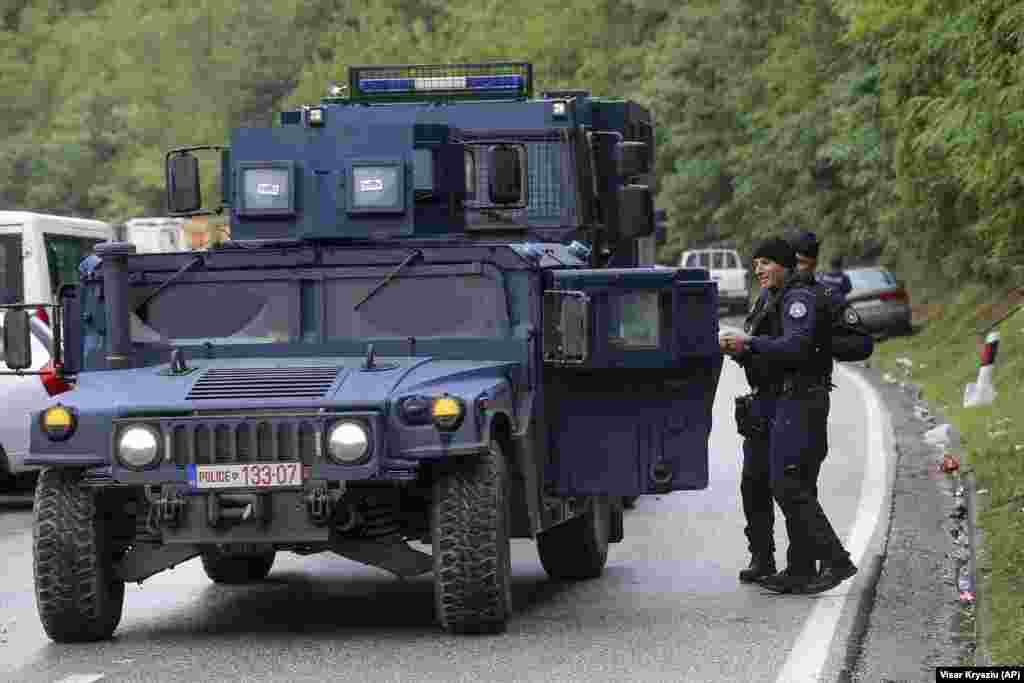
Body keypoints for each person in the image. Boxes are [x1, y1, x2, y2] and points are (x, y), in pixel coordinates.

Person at [719, 236, 858, 594]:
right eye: (755, 264)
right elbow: (772, 348)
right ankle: (793, 568)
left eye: (765, 263)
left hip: (800, 399)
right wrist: (741, 350)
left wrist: (750, 344)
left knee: (790, 484)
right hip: (776, 400)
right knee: (765, 481)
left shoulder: (799, 298)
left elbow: (796, 348)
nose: (759, 270)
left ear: (784, 265)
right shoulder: (772, 297)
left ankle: (835, 560)